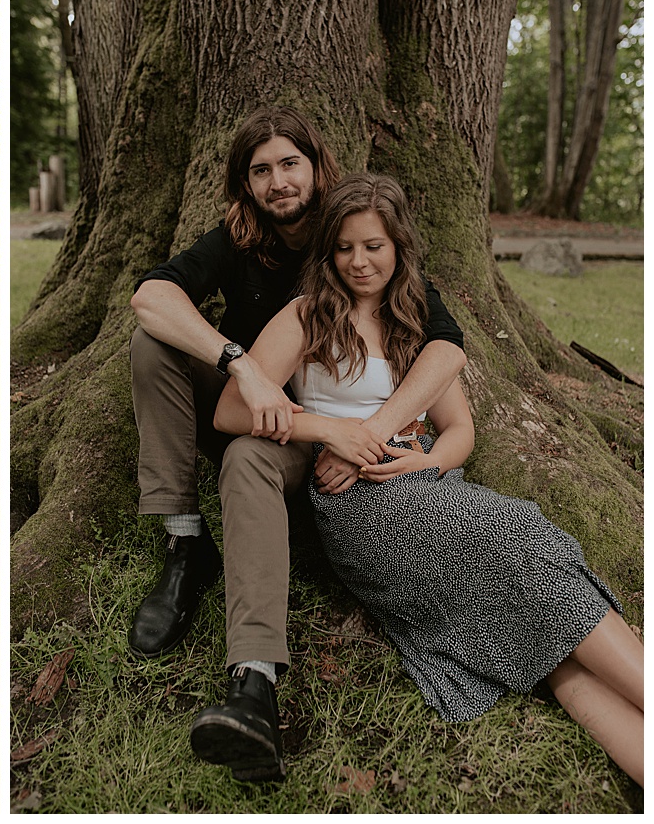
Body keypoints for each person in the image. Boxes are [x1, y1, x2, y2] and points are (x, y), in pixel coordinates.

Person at [206, 172, 643, 785]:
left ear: (399, 249)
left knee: (550, 648)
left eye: (374, 247)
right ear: (328, 252)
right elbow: (232, 409)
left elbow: (459, 431)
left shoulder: (417, 327)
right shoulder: (306, 316)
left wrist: (421, 459)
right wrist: (333, 432)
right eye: (345, 248)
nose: (359, 262)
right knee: (520, 544)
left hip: (429, 486)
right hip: (360, 510)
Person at [128, 106, 467, 781]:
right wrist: (243, 367)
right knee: (153, 342)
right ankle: (188, 545)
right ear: (245, 183)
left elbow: (446, 349)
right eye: (260, 170)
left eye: (290, 163)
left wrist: (367, 434)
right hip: (263, 410)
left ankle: (251, 681)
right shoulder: (239, 236)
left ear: (317, 167)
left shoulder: (358, 236)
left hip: (329, 428)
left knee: (254, 454)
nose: (278, 181)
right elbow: (151, 297)